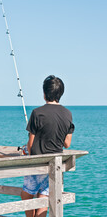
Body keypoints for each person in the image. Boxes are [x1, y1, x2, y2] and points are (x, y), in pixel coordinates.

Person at [21, 75, 75, 217]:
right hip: (54, 164)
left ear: (44, 93)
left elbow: (31, 143)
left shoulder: (37, 113)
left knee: (26, 196)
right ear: (60, 93)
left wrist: (28, 154)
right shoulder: (68, 114)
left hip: (37, 162)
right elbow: (67, 144)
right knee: (43, 198)